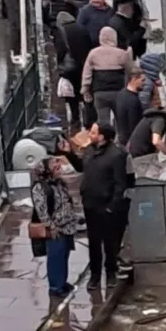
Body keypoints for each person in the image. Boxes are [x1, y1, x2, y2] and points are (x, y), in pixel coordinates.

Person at [62, 123, 129, 290]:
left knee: (110, 242)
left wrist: (112, 206)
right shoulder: (89, 150)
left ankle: (111, 272)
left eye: (93, 132)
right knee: (94, 242)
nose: (89, 134)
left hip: (107, 206)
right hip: (90, 205)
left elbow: (121, 184)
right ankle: (95, 275)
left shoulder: (117, 155)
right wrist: (68, 153)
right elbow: (80, 166)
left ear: (102, 137)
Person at [31, 156, 78, 296]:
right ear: (47, 171)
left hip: (67, 226)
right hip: (56, 229)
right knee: (55, 257)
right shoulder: (40, 188)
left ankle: (62, 282)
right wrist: (51, 227)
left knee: (64, 256)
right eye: (56, 168)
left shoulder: (59, 183)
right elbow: (42, 211)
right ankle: (55, 287)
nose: (60, 170)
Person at [82, 26, 135, 126]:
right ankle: (121, 139)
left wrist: (85, 89)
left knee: (102, 120)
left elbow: (87, 73)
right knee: (121, 120)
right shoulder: (121, 54)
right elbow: (131, 71)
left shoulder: (93, 53)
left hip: (100, 91)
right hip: (118, 91)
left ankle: (106, 139)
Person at [54, 11, 91, 129]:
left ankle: (75, 118)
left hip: (69, 68)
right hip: (83, 65)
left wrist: (59, 65)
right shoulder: (82, 29)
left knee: (71, 94)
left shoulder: (61, 31)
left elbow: (60, 50)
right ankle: (88, 118)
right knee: (85, 90)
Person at [114, 70, 145, 146]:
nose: (144, 83)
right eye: (142, 80)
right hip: (132, 142)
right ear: (134, 79)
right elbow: (134, 124)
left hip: (122, 138)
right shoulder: (133, 100)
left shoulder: (120, 95)